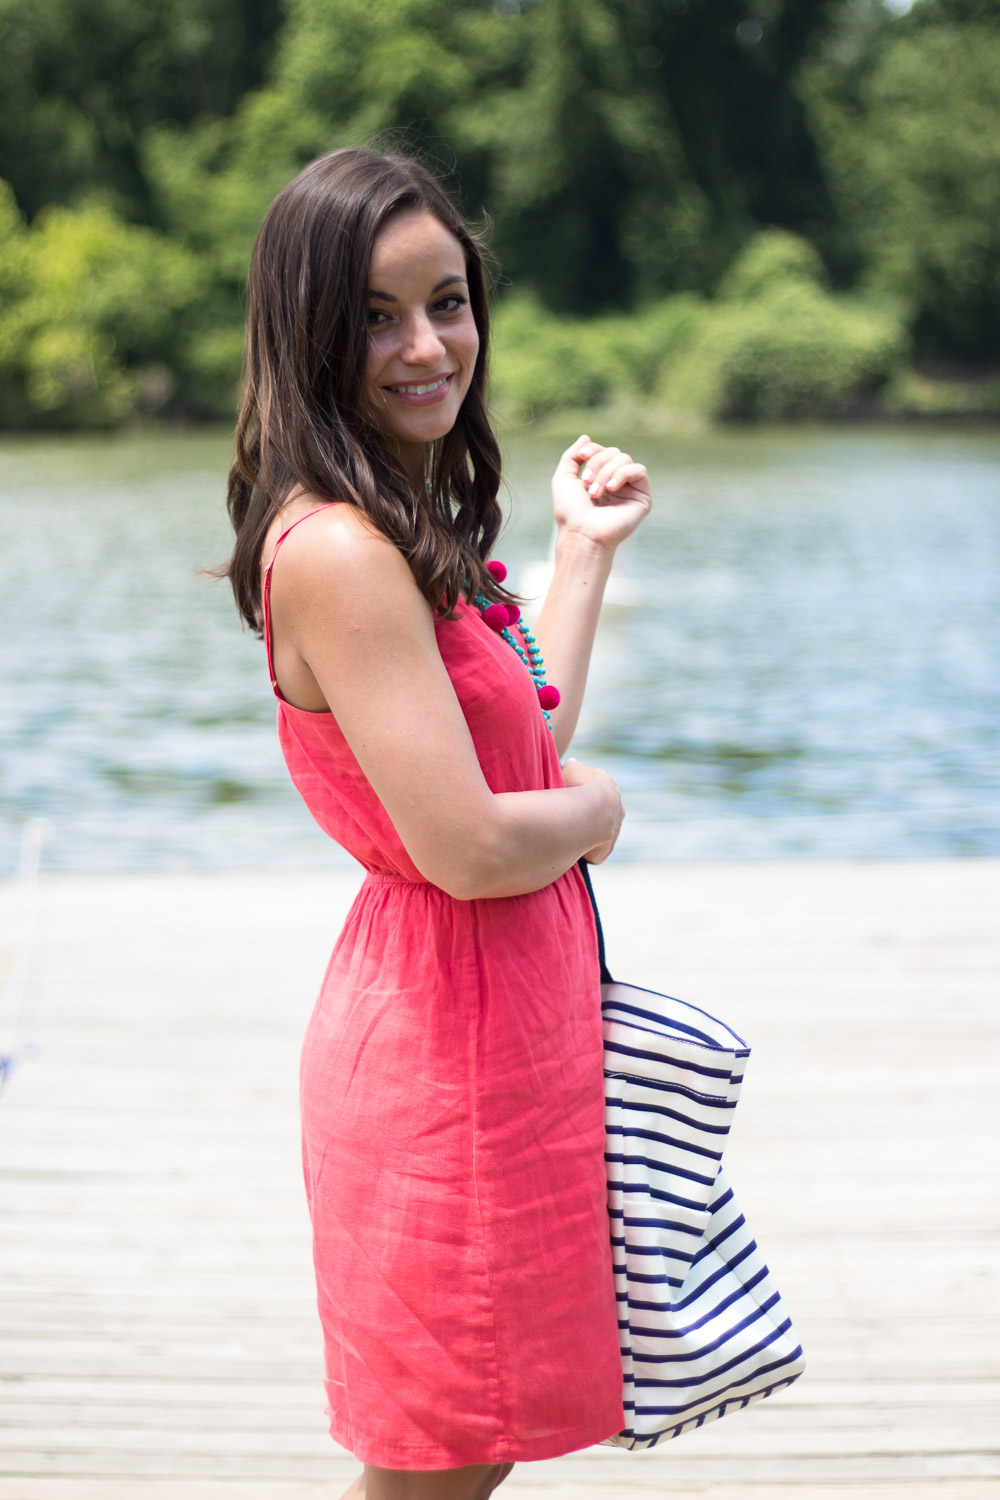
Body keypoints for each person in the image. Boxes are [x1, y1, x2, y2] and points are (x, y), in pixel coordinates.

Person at [222, 147, 652, 1500]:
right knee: (438, 1468)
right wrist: (594, 818)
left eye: (448, 301)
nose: (427, 345)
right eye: (374, 314)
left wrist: (580, 554)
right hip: (441, 1060)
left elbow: (518, 739)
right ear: (307, 332)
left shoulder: (398, 518)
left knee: (469, 1455)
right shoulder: (342, 550)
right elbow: (473, 842)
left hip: (496, 1037)